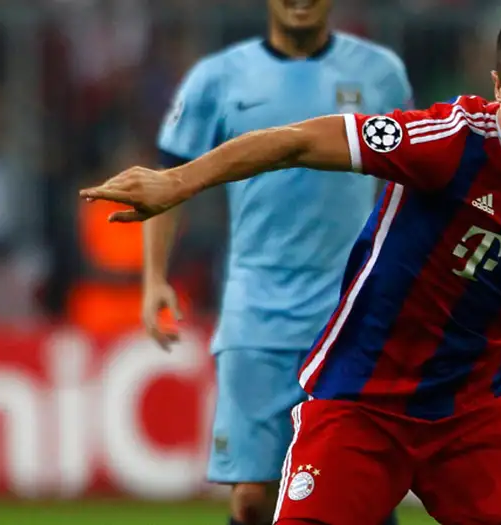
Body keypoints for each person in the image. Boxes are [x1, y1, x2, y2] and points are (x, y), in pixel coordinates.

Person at [83, 9, 501, 525]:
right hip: (360, 404)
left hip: (473, 416)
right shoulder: (448, 141)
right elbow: (295, 141)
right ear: (499, 87)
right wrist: (177, 182)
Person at [145, 1, 410, 524]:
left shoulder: (381, 73)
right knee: (251, 498)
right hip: (255, 312)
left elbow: (413, 176)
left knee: (360, 485)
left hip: (352, 314)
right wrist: (154, 278)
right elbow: (167, 178)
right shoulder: (217, 78)